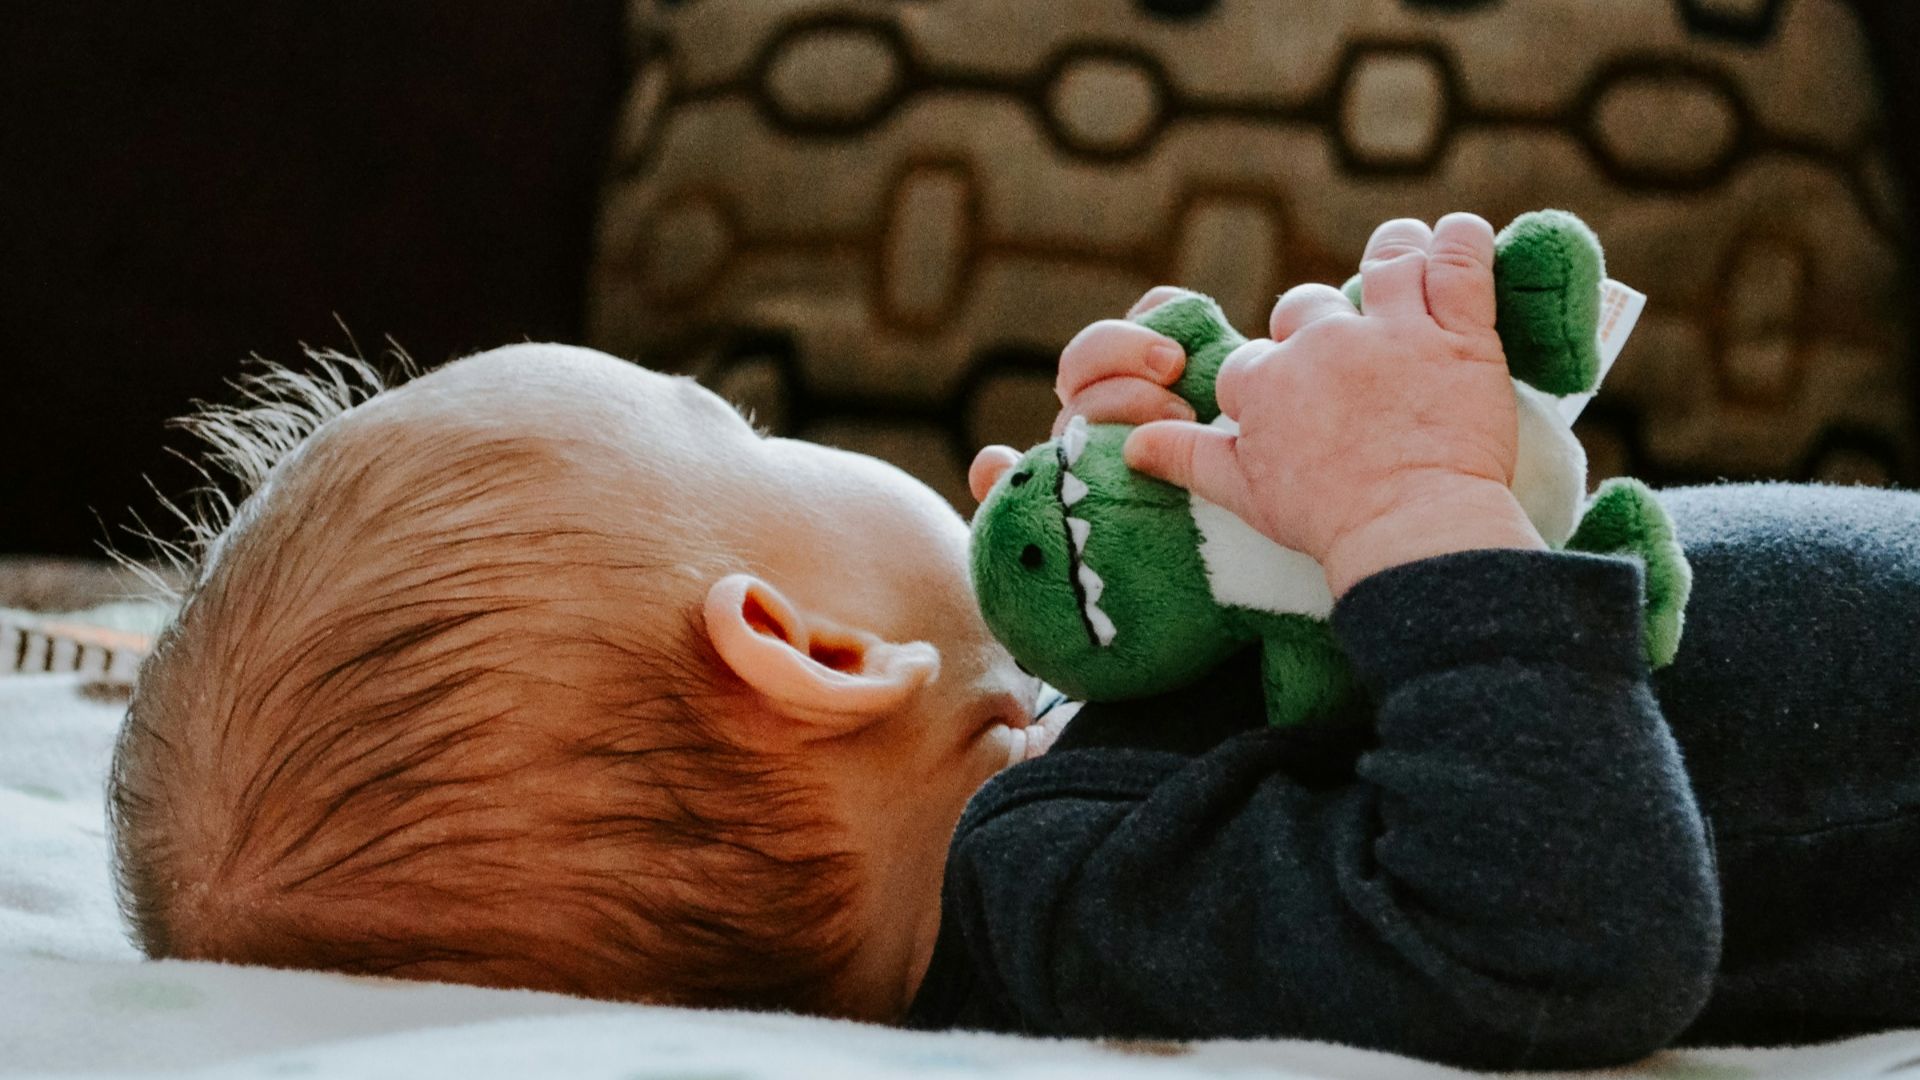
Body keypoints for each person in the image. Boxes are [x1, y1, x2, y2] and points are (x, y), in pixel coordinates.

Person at [108, 214, 1920, 1070]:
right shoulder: (1084, 908)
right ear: (800, 648)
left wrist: (1245, 512)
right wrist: (1407, 522)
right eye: (726, 430)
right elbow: (1573, 932)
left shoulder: (1068, 803)